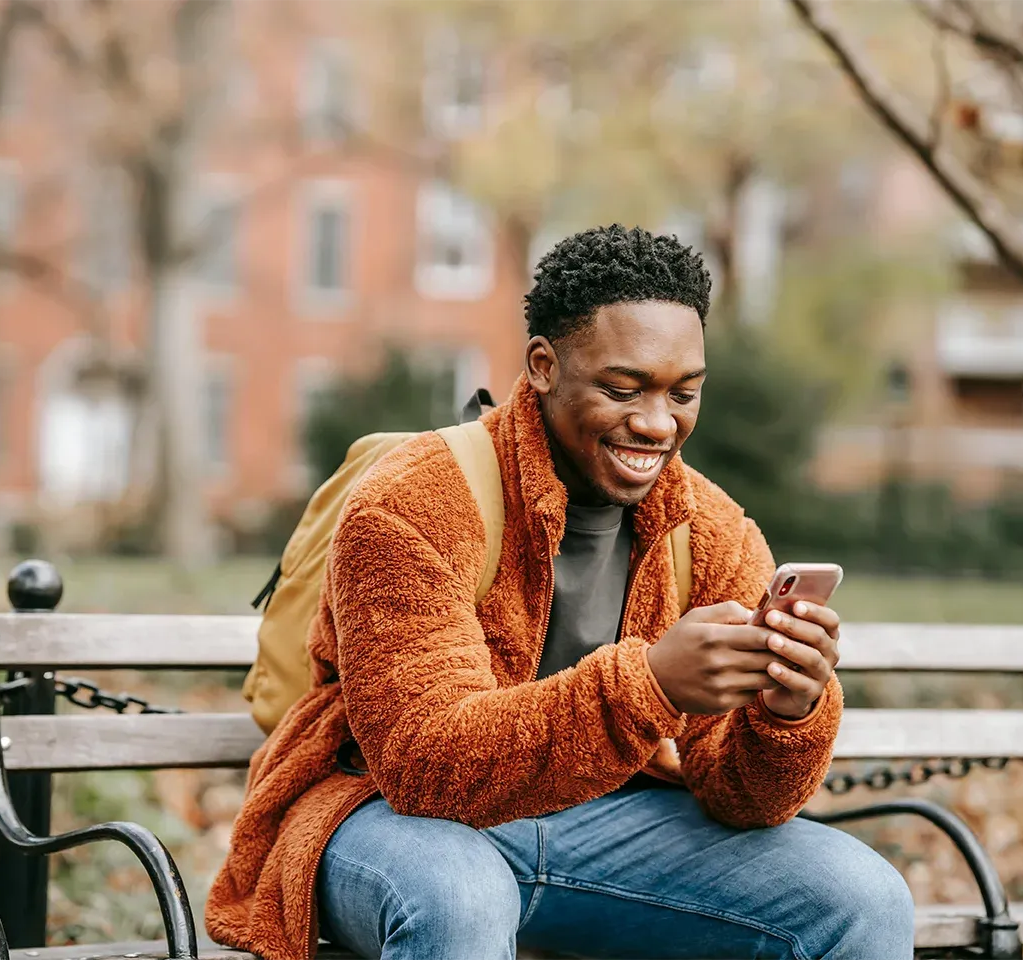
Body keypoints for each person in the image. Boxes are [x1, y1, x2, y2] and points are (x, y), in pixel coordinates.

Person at [207, 225, 915, 960]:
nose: (656, 422)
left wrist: (787, 710)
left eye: (684, 392)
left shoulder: (711, 531)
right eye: (622, 387)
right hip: (384, 819)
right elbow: (423, 767)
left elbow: (744, 799)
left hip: (603, 829)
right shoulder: (413, 499)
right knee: (460, 897)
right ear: (543, 366)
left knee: (861, 899)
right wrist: (648, 684)